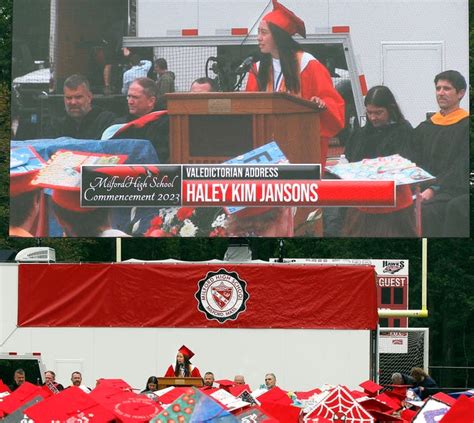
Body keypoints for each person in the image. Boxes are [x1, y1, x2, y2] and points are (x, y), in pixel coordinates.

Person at [245, 0, 345, 169]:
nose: (259, 38)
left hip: (301, 151)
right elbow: (248, 108)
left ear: (278, 37)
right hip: (265, 151)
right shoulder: (258, 69)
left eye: (264, 33)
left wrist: (320, 105)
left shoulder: (309, 65)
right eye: (259, 33)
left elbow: (334, 106)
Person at [341, 85, 417, 237]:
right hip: (362, 198)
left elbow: (406, 163)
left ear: (391, 109)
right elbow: (348, 159)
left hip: (393, 201)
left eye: (378, 113)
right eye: (369, 113)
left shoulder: (403, 131)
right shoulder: (361, 134)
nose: (373, 117)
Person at [409, 70, 469, 237]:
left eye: (447, 89)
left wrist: (434, 189)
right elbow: (413, 160)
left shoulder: (466, 126)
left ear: (461, 93)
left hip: (453, 189)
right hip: (423, 188)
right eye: (438, 88)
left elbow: (461, 165)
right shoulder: (425, 127)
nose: (441, 93)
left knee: (428, 212)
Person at [110, 77, 170, 163]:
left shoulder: (165, 124)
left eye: (135, 97)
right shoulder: (119, 124)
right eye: (128, 96)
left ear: (151, 101)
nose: (130, 102)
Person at [47, 74, 116, 139]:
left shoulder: (106, 121)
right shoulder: (56, 124)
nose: (73, 102)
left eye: (78, 97)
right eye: (69, 98)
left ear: (89, 97)